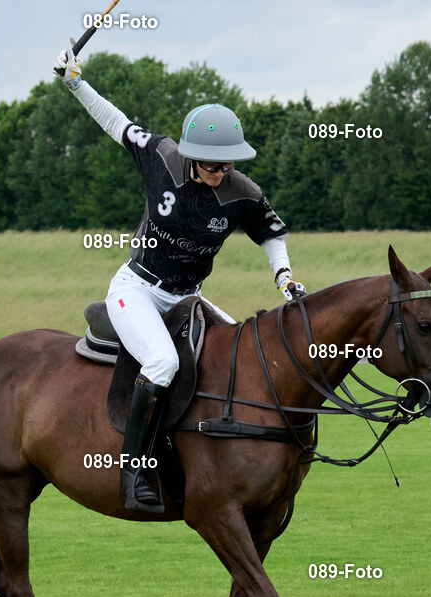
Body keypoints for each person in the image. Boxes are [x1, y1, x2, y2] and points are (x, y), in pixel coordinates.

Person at [54, 47, 305, 513]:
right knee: (163, 366)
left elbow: (272, 233)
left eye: (228, 165)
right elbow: (115, 122)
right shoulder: (161, 157)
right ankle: (135, 472)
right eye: (212, 165)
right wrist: (74, 82)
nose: (221, 173)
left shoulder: (242, 192)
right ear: (192, 156)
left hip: (189, 299)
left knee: (253, 358)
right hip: (137, 290)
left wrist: (284, 276)